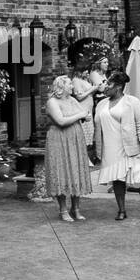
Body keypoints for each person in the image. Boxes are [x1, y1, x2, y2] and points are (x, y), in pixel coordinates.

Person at [92, 70, 140, 222]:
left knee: (139, 179)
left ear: (119, 86)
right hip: (110, 148)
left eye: (109, 83)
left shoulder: (132, 102)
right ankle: (122, 210)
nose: (105, 86)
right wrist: (96, 148)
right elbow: (97, 129)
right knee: (117, 180)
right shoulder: (101, 104)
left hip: (130, 146)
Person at [42, 75, 91, 222]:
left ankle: (75, 209)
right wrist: (80, 115)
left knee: (76, 170)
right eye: (70, 84)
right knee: (61, 171)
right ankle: (63, 209)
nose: (72, 87)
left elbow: (86, 115)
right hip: (58, 139)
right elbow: (61, 121)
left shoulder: (72, 100)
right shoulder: (52, 102)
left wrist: (82, 115)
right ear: (61, 87)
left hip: (75, 139)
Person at [70, 57, 107, 152]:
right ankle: (84, 156)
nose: (87, 72)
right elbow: (79, 97)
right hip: (83, 110)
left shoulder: (84, 80)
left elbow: (89, 93)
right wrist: (93, 89)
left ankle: (88, 156)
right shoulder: (76, 80)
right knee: (84, 135)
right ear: (79, 71)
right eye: (86, 70)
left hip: (89, 110)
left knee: (90, 135)